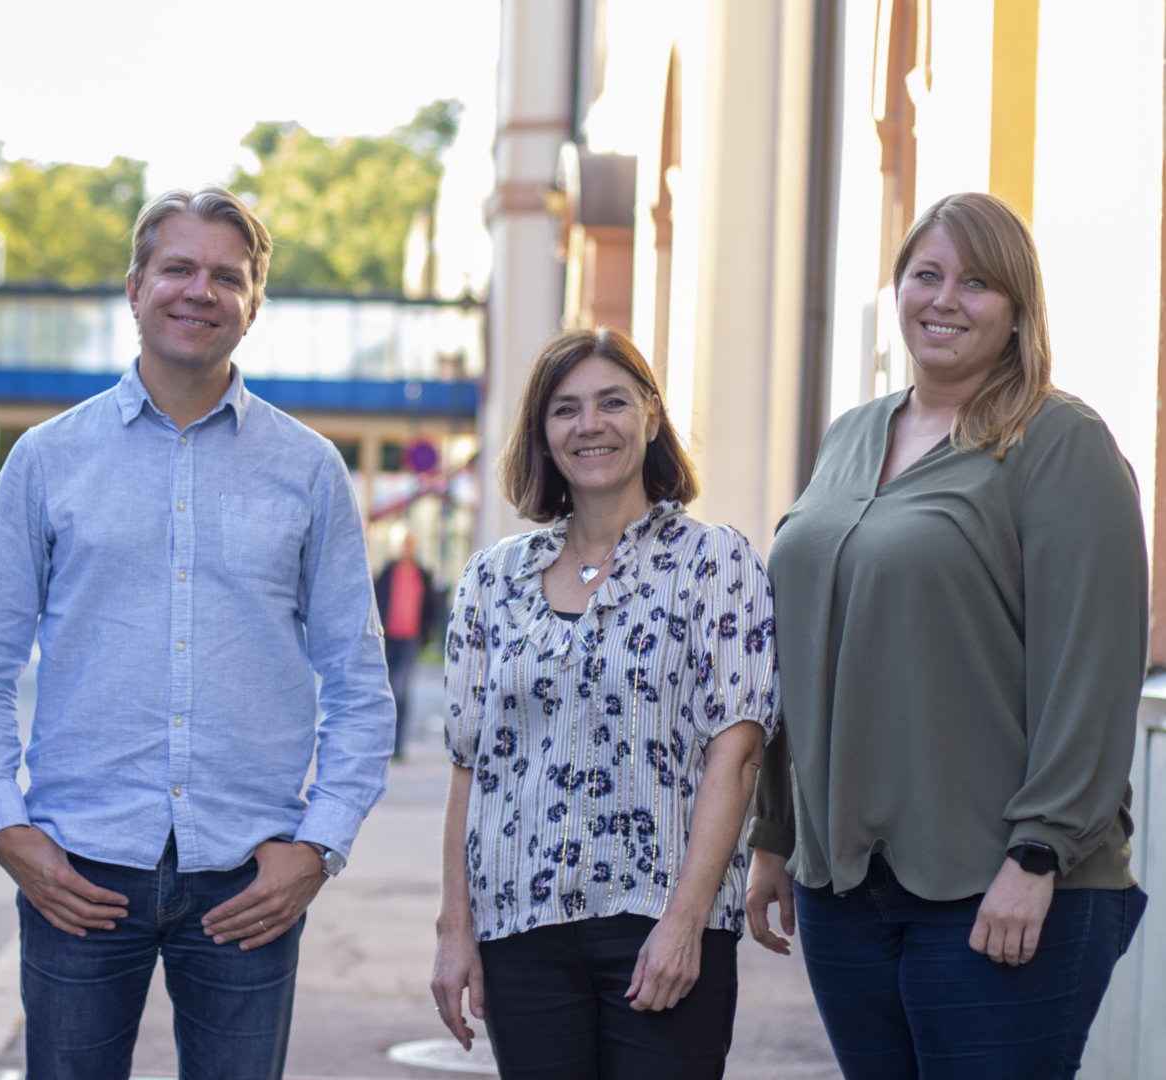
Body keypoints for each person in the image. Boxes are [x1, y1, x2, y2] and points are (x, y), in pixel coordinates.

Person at [0, 186, 394, 1080]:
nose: (200, 290)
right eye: (178, 267)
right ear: (135, 285)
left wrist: (319, 845)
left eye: (227, 276)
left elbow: (358, 679)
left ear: (253, 304)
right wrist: (6, 828)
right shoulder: (46, 460)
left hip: (249, 879)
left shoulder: (308, 470)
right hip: (78, 868)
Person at [744, 192, 1148, 1080]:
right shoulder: (851, 435)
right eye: (927, 275)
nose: (945, 300)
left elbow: (1092, 667)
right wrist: (774, 835)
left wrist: (1038, 852)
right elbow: (799, 649)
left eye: (976, 283)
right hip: (845, 890)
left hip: (1000, 882)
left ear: (1016, 312)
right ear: (898, 291)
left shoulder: (1058, 443)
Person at [430, 327, 779, 1079]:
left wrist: (685, 923)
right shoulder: (492, 581)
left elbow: (739, 752)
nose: (590, 425)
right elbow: (469, 767)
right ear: (542, 434)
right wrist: (455, 928)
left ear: (651, 416)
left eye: (612, 402)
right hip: (519, 927)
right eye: (565, 409)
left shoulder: (716, 561)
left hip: (659, 922)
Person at [374, 530, 436, 759]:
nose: (407, 549)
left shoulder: (422, 574)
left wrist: (425, 634)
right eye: (404, 544)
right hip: (387, 638)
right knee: (384, 691)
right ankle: (382, 742)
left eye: (411, 544)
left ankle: (398, 746)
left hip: (410, 639)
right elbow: (376, 601)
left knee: (400, 691)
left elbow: (431, 607)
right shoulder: (388, 572)